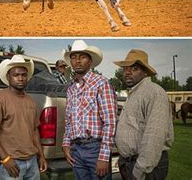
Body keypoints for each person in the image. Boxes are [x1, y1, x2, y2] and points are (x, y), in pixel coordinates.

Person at [0, 55, 48, 179]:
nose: (21, 78)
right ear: (8, 77)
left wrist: (41, 156)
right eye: (16, 75)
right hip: (12, 161)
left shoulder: (31, 102)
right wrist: (5, 159)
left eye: (24, 75)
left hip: (32, 161)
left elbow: (34, 130)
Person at [113, 49, 174, 180]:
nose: (127, 72)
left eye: (134, 69)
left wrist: (139, 171)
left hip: (145, 167)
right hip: (130, 163)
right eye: (125, 69)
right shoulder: (135, 92)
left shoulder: (154, 92)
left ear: (145, 72)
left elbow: (155, 136)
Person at [62, 40, 117, 180]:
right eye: (73, 57)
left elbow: (110, 122)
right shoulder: (71, 89)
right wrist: (66, 144)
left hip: (95, 148)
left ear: (90, 61)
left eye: (82, 57)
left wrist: (104, 157)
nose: (77, 61)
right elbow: (69, 121)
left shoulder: (101, 83)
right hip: (76, 149)